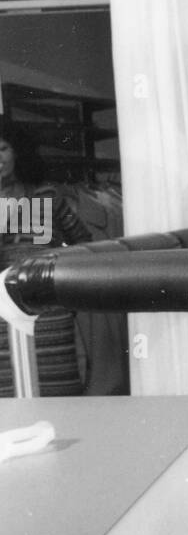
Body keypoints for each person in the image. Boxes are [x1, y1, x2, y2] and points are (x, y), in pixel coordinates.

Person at [1, 116, 93, 397]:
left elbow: (86, 247)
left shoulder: (46, 196)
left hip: (51, 324)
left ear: (18, 151)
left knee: (61, 404)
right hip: (3, 325)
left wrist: (68, 292)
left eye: (2, 148)